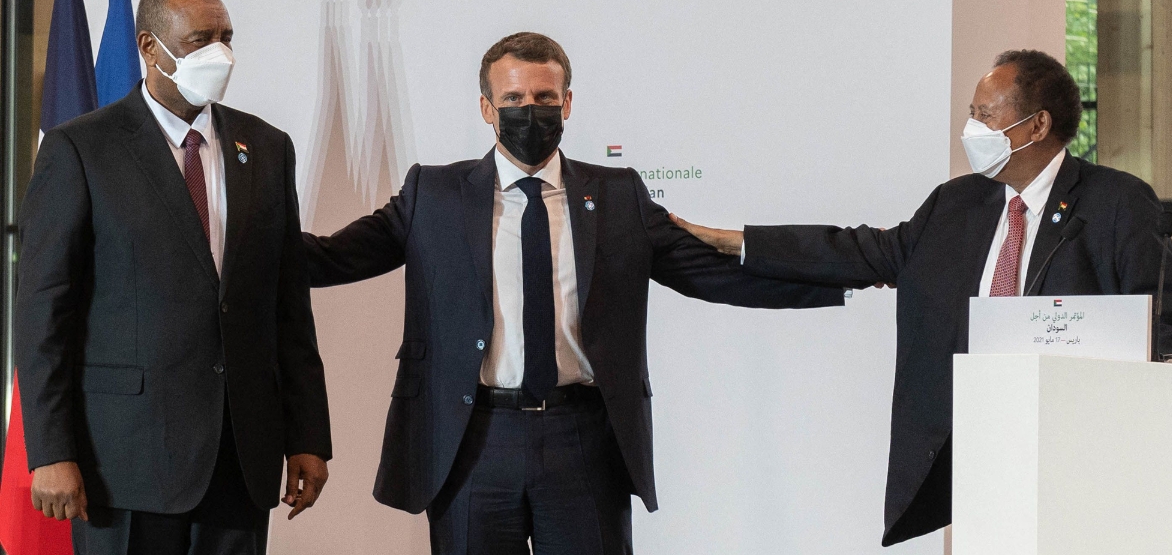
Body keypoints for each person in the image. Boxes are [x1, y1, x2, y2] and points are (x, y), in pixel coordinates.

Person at [303, 31, 844, 555]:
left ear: (567, 103)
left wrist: (845, 274)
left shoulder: (617, 196)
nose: (528, 111)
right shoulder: (434, 194)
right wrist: (228, 244)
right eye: (513, 98)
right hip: (472, 441)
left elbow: (716, 276)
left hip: (583, 439)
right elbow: (332, 258)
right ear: (487, 108)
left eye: (543, 97)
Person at [672, 49, 1172, 546]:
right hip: (972, 444)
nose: (973, 130)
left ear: (1037, 125)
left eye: (985, 116)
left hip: (1078, 453)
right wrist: (739, 242)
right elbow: (863, 251)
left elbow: (1169, 326)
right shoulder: (956, 204)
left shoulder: (1116, 202)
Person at [16, 0, 333, 555]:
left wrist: (308, 435)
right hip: (125, 465)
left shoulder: (265, 146)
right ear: (149, 46)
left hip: (240, 460)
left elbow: (287, 306)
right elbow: (43, 316)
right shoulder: (81, 149)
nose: (220, 53)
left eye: (226, 37)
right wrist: (51, 451)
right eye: (200, 39)